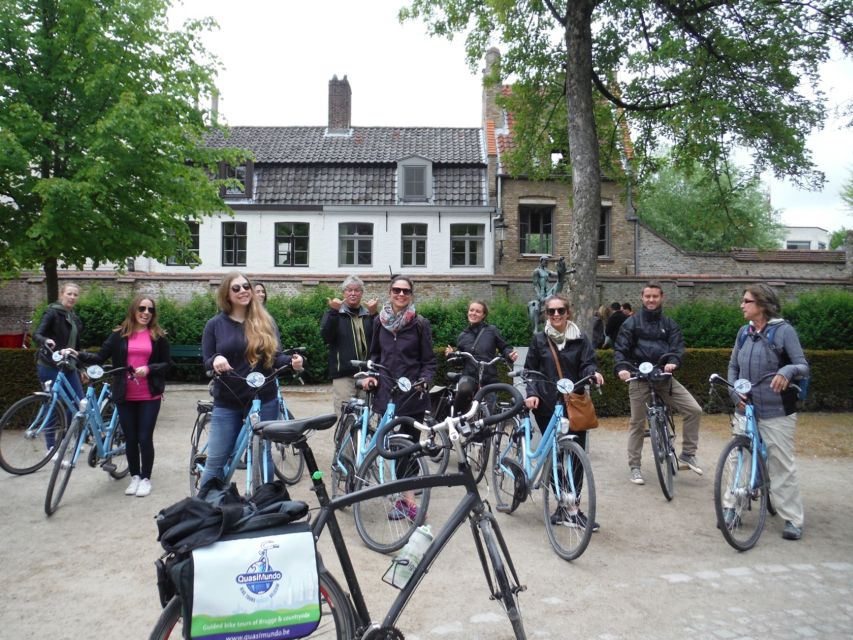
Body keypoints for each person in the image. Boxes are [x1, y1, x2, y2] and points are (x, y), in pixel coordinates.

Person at [201, 272, 303, 488]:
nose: (243, 291)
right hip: (228, 399)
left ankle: (264, 505)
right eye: (236, 288)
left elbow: (275, 357)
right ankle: (205, 510)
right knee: (217, 460)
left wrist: (294, 362)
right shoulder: (215, 324)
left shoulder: (265, 321)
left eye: (246, 286)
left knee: (262, 454)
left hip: (263, 399)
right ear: (226, 294)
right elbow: (207, 359)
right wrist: (217, 359)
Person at [727, 284, 809, 540]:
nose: (742, 305)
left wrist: (787, 371)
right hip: (747, 409)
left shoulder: (784, 331)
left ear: (762, 304)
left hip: (777, 410)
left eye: (747, 301)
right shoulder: (744, 332)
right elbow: (732, 367)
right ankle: (732, 507)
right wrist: (734, 393)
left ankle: (792, 518)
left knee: (780, 464)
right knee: (737, 458)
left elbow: (802, 366)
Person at [72, 296, 170, 497]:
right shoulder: (119, 335)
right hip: (125, 394)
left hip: (149, 395)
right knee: (131, 438)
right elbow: (99, 357)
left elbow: (167, 364)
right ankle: (134, 476)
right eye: (142, 308)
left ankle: (145, 478)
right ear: (133, 309)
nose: (146, 313)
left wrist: (149, 369)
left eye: (150, 310)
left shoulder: (158, 336)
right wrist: (76, 354)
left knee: (144, 437)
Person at [523, 293, 604, 530]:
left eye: (560, 311)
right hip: (546, 402)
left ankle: (572, 506)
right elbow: (530, 370)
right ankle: (561, 503)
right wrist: (531, 393)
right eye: (551, 311)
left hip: (573, 401)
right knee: (556, 454)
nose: (556, 315)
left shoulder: (580, 338)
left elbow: (588, 363)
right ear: (546, 314)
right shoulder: (539, 339)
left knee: (575, 453)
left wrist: (593, 373)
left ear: (568, 313)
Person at [614, 281, 703, 485]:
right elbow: (621, 349)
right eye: (647, 296)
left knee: (694, 410)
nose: (651, 300)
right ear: (642, 298)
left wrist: (673, 362)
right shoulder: (631, 323)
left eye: (655, 296)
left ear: (661, 297)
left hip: (664, 377)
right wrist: (622, 369)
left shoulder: (669, 324)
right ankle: (635, 466)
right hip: (639, 378)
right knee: (637, 422)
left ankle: (688, 454)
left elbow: (677, 347)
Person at [363, 276, 436, 521]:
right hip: (386, 392)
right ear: (390, 292)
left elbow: (428, 362)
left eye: (405, 291)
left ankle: (407, 502)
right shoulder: (378, 322)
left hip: (411, 394)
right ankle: (403, 495)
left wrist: (425, 380)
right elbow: (374, 355)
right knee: (392, 446)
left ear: (411, 295)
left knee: (408, 448)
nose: (401, 295)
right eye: (397, 290)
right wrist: (372, 376)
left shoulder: (420, 324)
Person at [32, 283, 85, 448]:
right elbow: (37, 334)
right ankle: (50, 447)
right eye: (69, 293)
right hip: (49, 365)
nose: (72, 297)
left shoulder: (74, 318)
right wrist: (46, 340)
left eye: (75, 295)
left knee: (78, 403)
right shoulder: (52, 313)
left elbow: (76, 348)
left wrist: (81, 368)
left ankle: (65, 438)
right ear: (62, 294)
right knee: (54, 405)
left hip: (68, 366)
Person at [320, 275, 378, 413]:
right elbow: (326, 337)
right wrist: (333, 311)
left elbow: (380, 339)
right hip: (344, 376)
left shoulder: (369, 315)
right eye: (349, 290)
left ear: (362, 293)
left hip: (366, 374)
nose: (353, 293)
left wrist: (374, 314)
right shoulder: (335, 313)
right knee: (345, 419)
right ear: (343, 293)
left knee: (365, 420)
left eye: (357, 290)